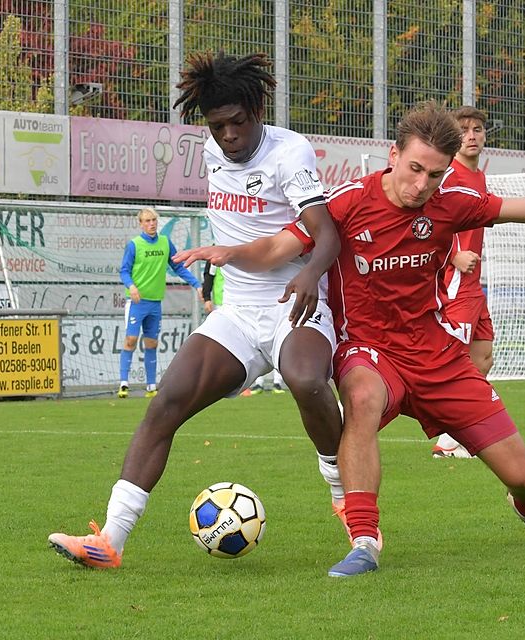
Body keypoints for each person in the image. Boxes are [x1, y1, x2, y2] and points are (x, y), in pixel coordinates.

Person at [180, 102, 525, 577]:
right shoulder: (348, 202)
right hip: (369, 348)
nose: (422, 184)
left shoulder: (453, 203)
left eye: (436, 174)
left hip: (437, 356)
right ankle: (364, 540)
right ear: (394, 156)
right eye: (415, 169)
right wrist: (229, 253)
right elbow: (277, 246)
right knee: (360, 398)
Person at [48, 52, 344, 569]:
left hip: (292, 301)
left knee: (306, 381)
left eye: (238, 122)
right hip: (237, 310)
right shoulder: (210, 149)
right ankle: (110, 541)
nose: (229, 135)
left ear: (256, 110)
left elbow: (327, 235)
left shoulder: (288, 152)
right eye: (218, 125)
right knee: (167, 402)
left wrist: (308, 275)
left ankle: (344, 491)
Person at [431, 106, 495, 459]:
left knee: (482, 357)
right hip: (455, 283)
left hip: (474, 284)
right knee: (454, 363)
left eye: (478, 129)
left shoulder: (479, 178)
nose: (472, 135)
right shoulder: (447, 175)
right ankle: (451, 439)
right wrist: (453, 255)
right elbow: (431, 221)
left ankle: (450, 438)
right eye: (465, 129)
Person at [116, 207, 203, 399]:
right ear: (140, 224)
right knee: (131, 340)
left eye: (153, 220)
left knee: (152, 343)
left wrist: (197, 284)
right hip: (137, 302)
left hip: (155, 302)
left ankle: (150, 386)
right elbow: (124, 270)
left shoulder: (165, 242)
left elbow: (178, 266)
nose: (151, 224)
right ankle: (123, 384)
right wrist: (131, 286)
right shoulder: (134, 245)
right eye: (147, 221)